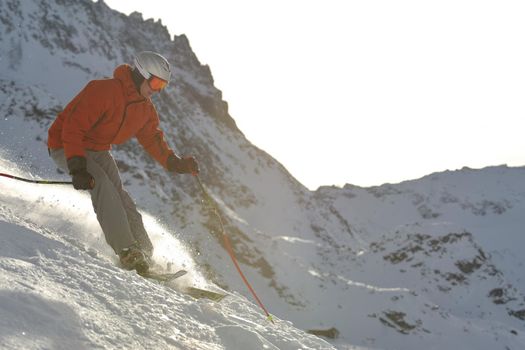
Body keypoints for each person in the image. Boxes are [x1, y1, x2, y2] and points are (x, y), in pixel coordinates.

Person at [47, 51, 199, 273]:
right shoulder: (103, 91)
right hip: (66, 145)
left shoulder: (145, 108)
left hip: (98, 150)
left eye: (162, 87)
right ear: (140, 74)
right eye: (155, 83)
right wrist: (78, 166)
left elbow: (152, 138)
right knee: (102, 184)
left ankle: (144, 253)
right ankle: (127, 251)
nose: (156, 91)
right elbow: (73, 127)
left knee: (123, 198)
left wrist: (174, 163)